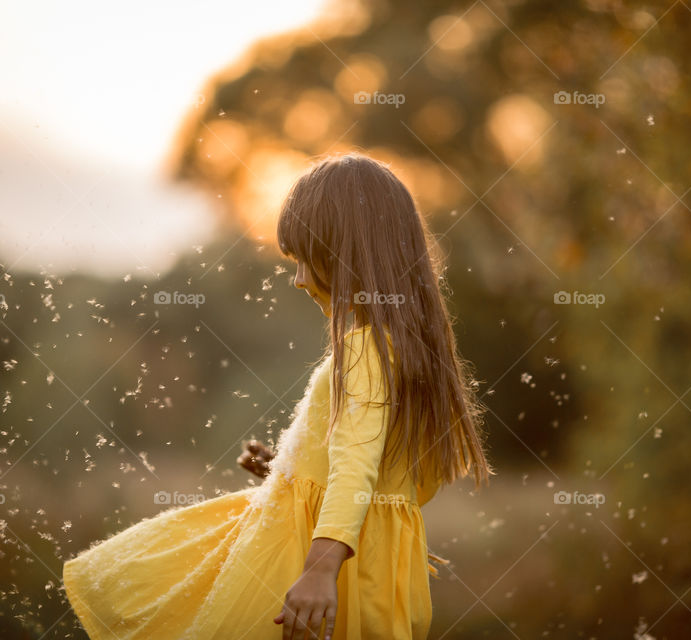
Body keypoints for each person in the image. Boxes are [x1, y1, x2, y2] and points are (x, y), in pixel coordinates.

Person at [61, 153, 494, 640]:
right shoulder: (410, 356)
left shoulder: (365, 353)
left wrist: (319, 571)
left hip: (326, 573)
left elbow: (358, 467)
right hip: (372, 576)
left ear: (352, 256)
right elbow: (390, 483)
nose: (300, 279)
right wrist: (289, 470)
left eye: (312, 258)